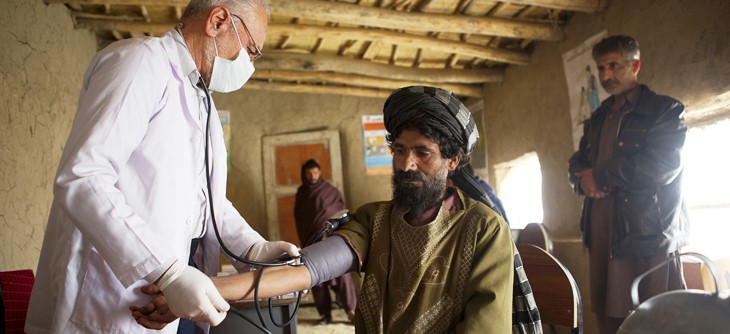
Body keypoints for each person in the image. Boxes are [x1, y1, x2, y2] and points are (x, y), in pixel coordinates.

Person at [134, 86, 521, 333]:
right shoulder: (376, 219)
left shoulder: (484, 230)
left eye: (423, 153)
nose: (405, 164)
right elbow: (304, 271)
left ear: (453, 161)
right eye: (400, 150)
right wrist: (192, 292)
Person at [25, 1, 299, 333]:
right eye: (251, 50)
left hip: (169, 298)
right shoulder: (140, 63)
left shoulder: (202, 101)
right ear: (218, 21)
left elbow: (206, 202)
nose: (250, 64)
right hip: (108, 299)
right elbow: (83, 177)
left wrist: (252, 248)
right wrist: (166, 271)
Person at [568, 35, 689, 334]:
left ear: (634, 65)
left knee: (657, 318)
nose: (606, 75)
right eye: (601, 68)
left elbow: (663, 165)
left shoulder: (665, 110)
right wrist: (584, 181)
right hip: (602, 233)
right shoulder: (596, 118)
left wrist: (602, 176)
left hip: (647, 233)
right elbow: (578, 161)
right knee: (609, 319)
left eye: (614, 66)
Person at [294, 159, 357, 324]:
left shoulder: (330, 191)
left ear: (320, 172)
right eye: (309, 173)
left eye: (315, 172)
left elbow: (339, 211)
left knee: (342, 275)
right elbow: (300, 218)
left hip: (331, 239)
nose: (313, 176)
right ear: (304, 174)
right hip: (313, 240)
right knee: (316, 276)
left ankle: (351, 311)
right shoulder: (302, 194)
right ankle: (325, 314)